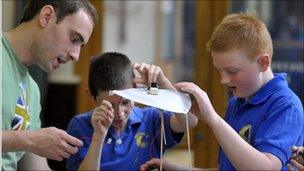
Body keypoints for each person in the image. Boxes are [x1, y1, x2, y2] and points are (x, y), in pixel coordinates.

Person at [141, 12, 304, 170]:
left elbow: (266, 167)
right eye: (220, 71)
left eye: (232, 71)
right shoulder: (236, 102)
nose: (223, 80)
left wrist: (213, 119)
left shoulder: (286, 106)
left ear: (263, 63)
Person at [2, 0, 98, 170]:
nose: (76, 56)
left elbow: (36, 167)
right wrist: (29, 139)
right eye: (74, 39)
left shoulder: (33, 91)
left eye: (81, 46)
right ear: (46, 17)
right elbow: (30, 141)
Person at [65, 52, 198, 171]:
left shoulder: (151, 118)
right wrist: (98, 136)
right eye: (110, 105)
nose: (120, 113)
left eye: (125, 102)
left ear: (135, 90)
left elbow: (191, 120)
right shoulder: (79, 125)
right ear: (92, 96)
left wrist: (163, 83)